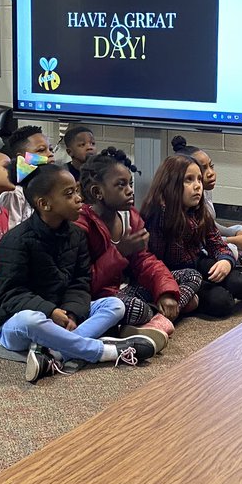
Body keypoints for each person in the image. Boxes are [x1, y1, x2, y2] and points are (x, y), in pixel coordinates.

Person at [0, 162, 157, 383]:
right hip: (19, 325)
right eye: (69, 193)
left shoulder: (76, 235)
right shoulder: (14, 241)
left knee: (114, 305)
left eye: (77, 191)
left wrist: (72, 312)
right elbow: (10, 294)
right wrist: (51, 311)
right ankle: (105, 352)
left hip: (62, 317)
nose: (79, 198)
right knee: (29, 319)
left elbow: (81, 281)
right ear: (45, 204)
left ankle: (55, 353)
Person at [141, 154, 242, 318]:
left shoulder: (199, 213)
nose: (197, 186)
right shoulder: (157, 217)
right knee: (222, 303)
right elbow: (151, 262)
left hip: (197, 262)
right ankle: (192, 299)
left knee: (238, 283)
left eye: (199, 180)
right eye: (189, 180)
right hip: (171, 274)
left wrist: (225, 261)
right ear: (170, 184)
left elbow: (217, 243)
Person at [75, 147, 183, 346]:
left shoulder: (130, 216)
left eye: (130, 183)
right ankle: (150, 319)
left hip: (126, 289)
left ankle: (149, 322)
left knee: (191, 277)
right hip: (101, 298)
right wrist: (119, 252)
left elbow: (145, 261)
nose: (130, 190)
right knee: (134, 308)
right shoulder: (82, 225)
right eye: (121, 185)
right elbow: (84, 283)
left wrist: (166, 292)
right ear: (98, 192)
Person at [171, 135, 242, 266]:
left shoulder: (205, 190)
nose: (211, 173)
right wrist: (233, 240)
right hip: (192, 253)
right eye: (203, 168)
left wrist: (237, 232)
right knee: (232, 250)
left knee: (240, 229)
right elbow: (197, 242)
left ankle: (238, 259)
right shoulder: (183, 200)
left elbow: (209, 225)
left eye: (211, 166)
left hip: (209, 241)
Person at [0, 125, 55, 228]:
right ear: (22, 157)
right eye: (41, 150)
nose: (50, 154)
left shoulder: (50, 185)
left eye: (50, 149)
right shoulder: (14, 193)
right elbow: (10, 232)